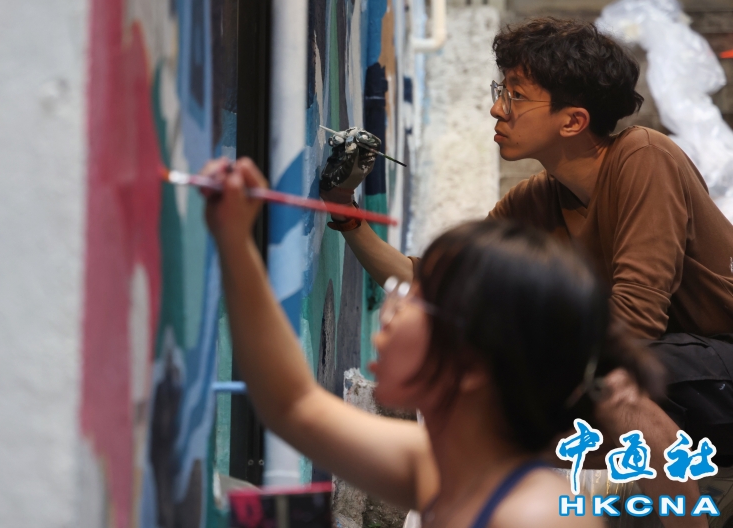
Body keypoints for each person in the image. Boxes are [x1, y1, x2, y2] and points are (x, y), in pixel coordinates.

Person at [320, 17, 733, 528]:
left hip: (718, 366)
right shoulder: (536, 200)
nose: (498, 108)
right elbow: (433, 283)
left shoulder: (644, 158)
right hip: (670, 377)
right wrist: (345, 212)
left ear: (573, 121)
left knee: (601, 380)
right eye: (502, 91)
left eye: (515, 96)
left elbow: (636, 320)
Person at [199, 156, 664, 528]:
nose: (391, 306)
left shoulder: (534, 517)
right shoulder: (440, 465)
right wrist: (234, 240)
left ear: (474, 365)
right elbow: (294, 404)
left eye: (417, 298)